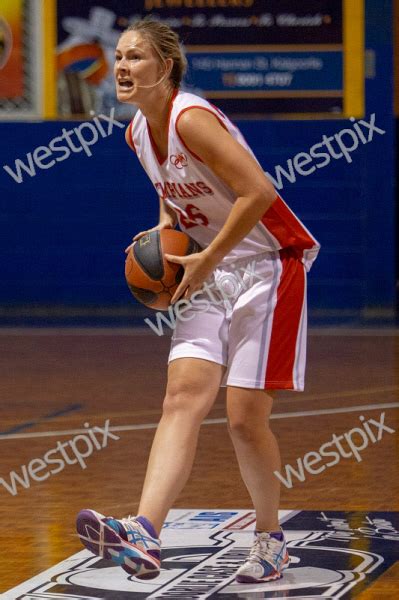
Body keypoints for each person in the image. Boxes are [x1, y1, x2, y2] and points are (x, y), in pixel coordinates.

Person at [76, 18, 320, 584]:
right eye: (118, 56)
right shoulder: (139, 131)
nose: (121, 66)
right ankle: (144, 531)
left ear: (166, 67)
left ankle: (270, 540)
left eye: (135, 57)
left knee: (243, 418)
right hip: (204, 266)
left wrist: (208, 259)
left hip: (268, 265)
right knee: (180, 397)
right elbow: (172, 202)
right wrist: (162, 243)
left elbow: (259, 193)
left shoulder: (192, 119)